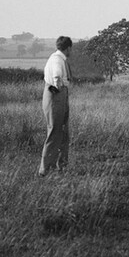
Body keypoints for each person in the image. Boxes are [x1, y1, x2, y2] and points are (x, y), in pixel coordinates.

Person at [38, 36, 73, 177]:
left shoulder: (54, 58)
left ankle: (60, 167)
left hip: (55, 95)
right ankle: (45, 170)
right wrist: (60, 89)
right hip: (55, 96)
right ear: (68, 48)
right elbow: (57, 77)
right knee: (54, 132)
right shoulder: (58, 60)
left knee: (63, 133)